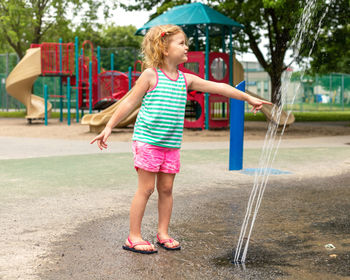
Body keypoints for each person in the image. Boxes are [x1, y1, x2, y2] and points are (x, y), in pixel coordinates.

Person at [90, 24, 271, 254]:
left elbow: (220, 87)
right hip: (147, 141)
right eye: (181, 43)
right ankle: (133, 236)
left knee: (166, 189)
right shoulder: (151, 75)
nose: (187, 47)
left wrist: (248, 98)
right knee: (146, 189)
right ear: (164, 48)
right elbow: (128, 102)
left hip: (171, 145)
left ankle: (162, 233)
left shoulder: (186, 80)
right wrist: (108, 127)